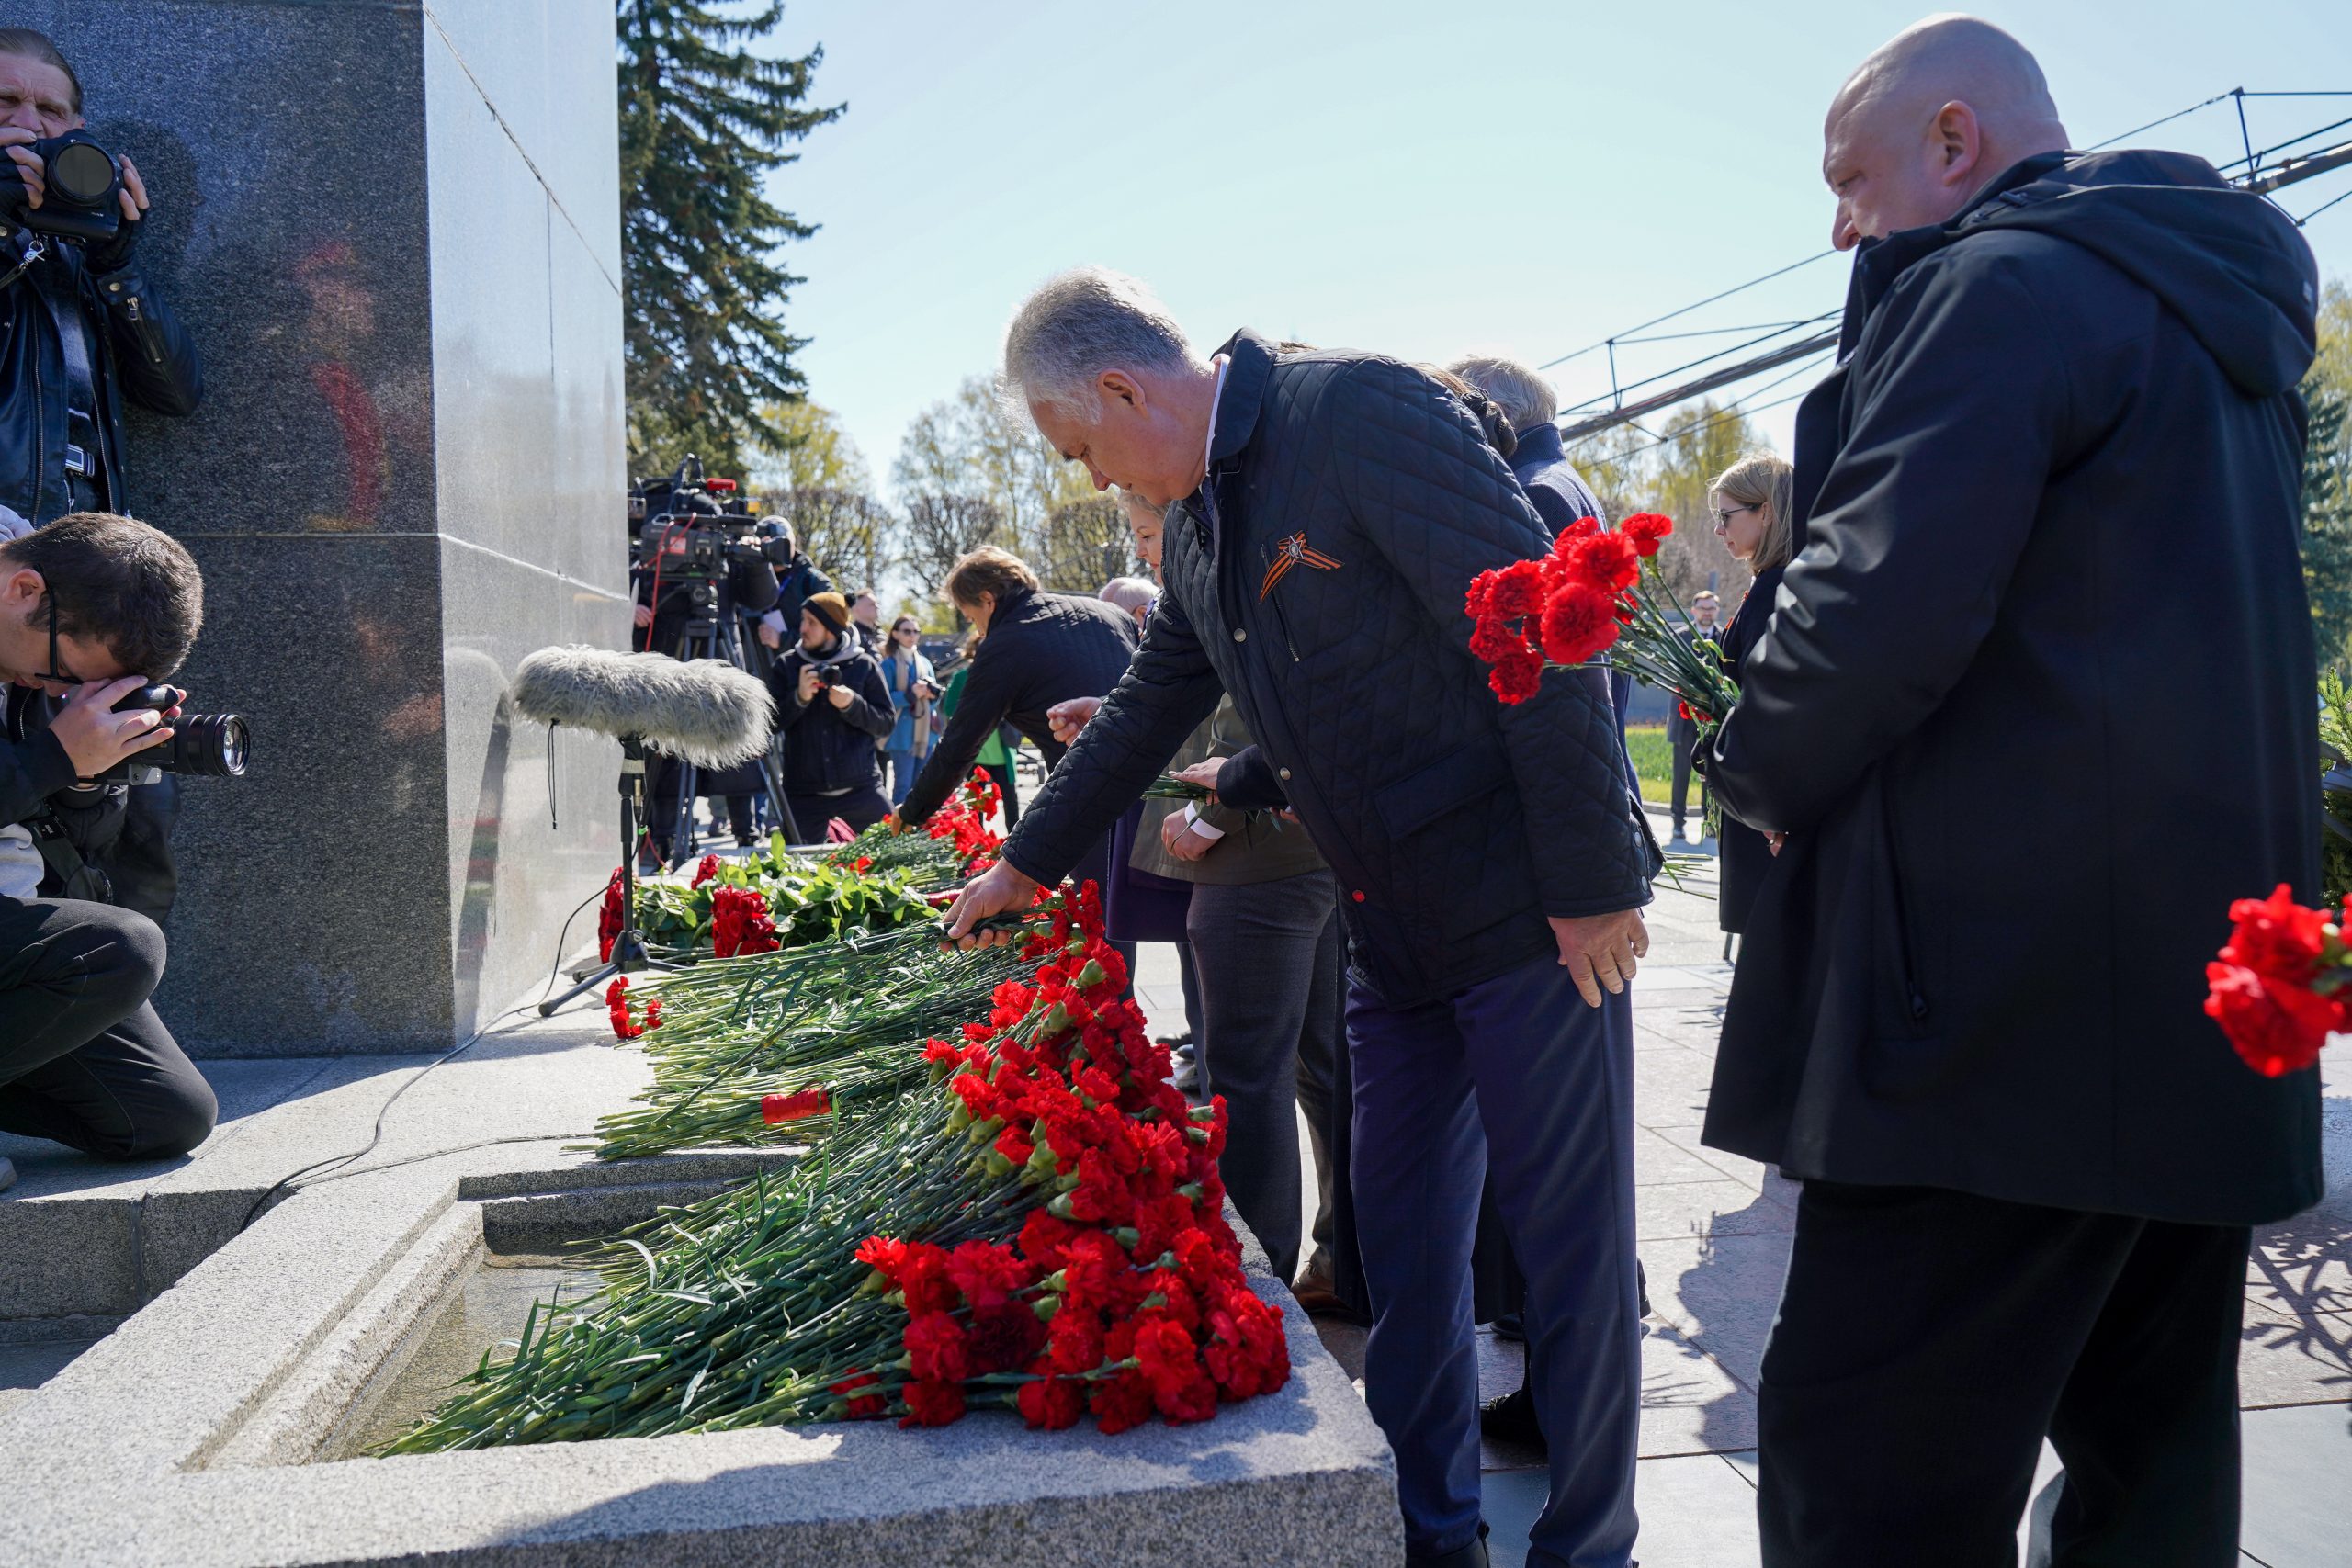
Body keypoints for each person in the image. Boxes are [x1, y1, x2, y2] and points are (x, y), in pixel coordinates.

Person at [1702, 17, 2323, 1564]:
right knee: (2152, 1453)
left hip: (1990, 1011)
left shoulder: (2000, 285)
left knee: (1865, 1459)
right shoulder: (2210, 319)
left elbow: (1872, 601)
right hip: (2187, 982)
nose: (1842, 223)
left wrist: (1758, 765)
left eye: (1852, 180)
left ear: (1958, 142)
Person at [944, 267, 1656, 1568]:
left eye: (1087, 450)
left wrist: (1592, 880)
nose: (1103, 482)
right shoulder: (1204, 525)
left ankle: (1587, 1541)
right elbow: (1146, 708)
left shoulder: (1358, 412)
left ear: (1119, 388)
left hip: (1525, 921)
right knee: (1403, 1245)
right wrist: (1021, 867)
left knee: (1568, 1255)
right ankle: (1434, 1532)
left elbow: (1546, 626)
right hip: (1394, 939)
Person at [1, 31, 206, 930]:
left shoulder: (83, 256)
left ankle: (98, 1014)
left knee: (135, 806)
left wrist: (119, 262)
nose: (27, 127)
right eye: (4, 106)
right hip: (12, 576)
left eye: (49, 112)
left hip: (88, 575)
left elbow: (177, 390)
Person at [0, 511, 215, 1169]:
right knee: (122, 947)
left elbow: (79, 844)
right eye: (63, 672)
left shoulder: (44, 617)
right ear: (24, 590)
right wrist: (52, 757)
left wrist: (99, 768)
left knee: (168, 1113)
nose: (50, 687)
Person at [888, 547, 1139, 905]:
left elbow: (960, 745)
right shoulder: (1109, 612)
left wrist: (913, 811)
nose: (976, 628)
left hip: (1089, 793)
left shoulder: (1006, 642)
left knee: (1103, 916)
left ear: (988, 600)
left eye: (970, 615)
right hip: (1158, 779)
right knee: (1180, 912)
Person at [1448, 355, 1640, 801]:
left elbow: (1553, 666)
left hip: (1569, 780)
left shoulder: (1533, 491)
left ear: (1500, 415)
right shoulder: (1557, 480)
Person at [1703, 455, 1792, 940]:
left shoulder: (1776, 587)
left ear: (1768, 512)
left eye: (1726, 516)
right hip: (1763, 805)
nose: (1719, 530)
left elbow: (1762, 703)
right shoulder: (1772, 582)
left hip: (1766, 810)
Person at [766, 591, 893, 838]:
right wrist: (798, 699)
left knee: (893, 856)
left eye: (812, 622)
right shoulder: (786, 665)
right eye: (802, 619)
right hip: (803, 793)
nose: (803, 628)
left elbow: (886, 724)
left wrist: (852, 704)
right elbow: (767, 725)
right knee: (789, 870)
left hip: (861, 788)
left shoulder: (863, 665)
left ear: (832, 628)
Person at [1667, 591, 1720, 844]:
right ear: (1694, 611)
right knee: (1681, 772)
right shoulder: (1680, 639)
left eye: (1711, 608)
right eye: (1703, 608)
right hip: (1684, 716)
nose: (1707, 612)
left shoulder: (1723, 638)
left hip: (1711, 719)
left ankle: (1710, 821)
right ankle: (1678, 822)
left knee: (1709, 771)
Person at [877, 614, 936, 807]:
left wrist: (931, 695)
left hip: (925, 734)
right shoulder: (888, 664)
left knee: (922, 786)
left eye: (916, 631)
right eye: (907, 631)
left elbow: (934, 701)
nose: (912, 635)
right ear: (895, 634)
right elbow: (881, 699)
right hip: (901, 735)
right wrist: (910, 695)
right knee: (902, 786)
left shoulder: (925, 663)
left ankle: (917, 832)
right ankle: (899, 833)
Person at [846, 589, 883, 654]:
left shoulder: (882, 633)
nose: (877, 606)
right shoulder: (851, 636)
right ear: (856, 608)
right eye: (872, 604)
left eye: (877, 603)